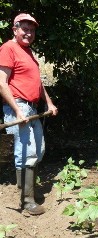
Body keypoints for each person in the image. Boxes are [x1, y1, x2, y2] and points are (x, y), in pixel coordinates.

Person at [0, 13, 58, 215]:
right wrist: (16, 111)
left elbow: (38, 84)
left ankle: (25, 188)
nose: (29, 33)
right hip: (19, 106)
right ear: (14, 29)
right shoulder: (8, 48)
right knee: (27, 152)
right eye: (25, 29)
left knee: (38, 149)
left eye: (32, 30)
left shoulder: (28, 52)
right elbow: (1, 82)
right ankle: (27, 200)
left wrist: (49, 103)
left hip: (32, 108)